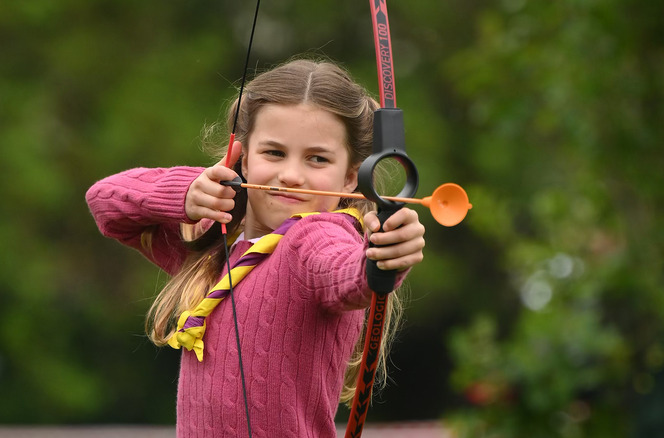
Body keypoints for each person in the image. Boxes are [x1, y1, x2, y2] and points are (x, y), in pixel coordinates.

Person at [86, 59, 426, 437]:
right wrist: (187, 192)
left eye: (318, 158)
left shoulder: (315, 237)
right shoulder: (214, 245)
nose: (292, 175)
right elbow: (106, 203)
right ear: (242, 157)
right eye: (274, 153)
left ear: (350, 177)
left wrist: (385, 256)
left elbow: (347, 274)